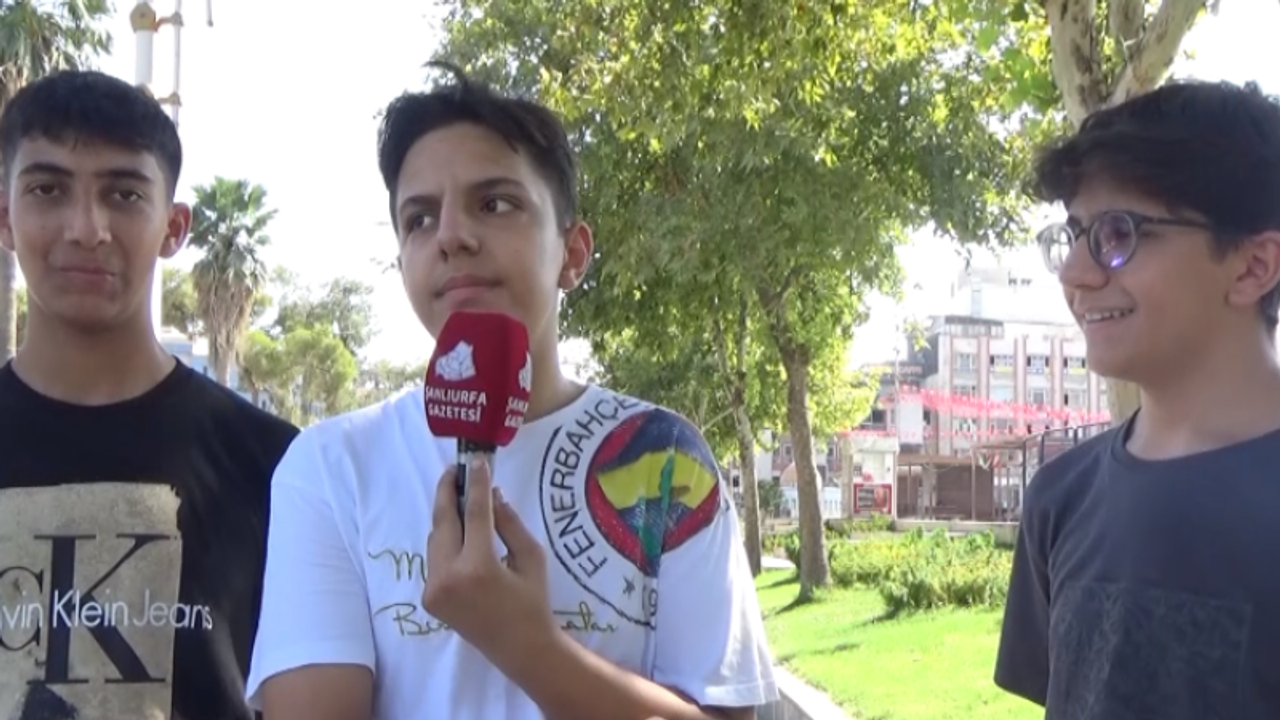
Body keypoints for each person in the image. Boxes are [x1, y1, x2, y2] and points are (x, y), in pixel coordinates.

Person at [246, 63, 778, 720]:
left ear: (572, 254)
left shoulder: (664, 458)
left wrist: (526, 645)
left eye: (495, 203)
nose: (451, 237)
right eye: (419, 219)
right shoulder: (330, 468)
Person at [0, 70, 299, 720]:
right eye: (48, 189)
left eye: (124, 194)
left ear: (173, 227)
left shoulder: (280, 468)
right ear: (5, 217)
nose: (87, 228)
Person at [996, 80, 1280, 719]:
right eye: (1073, 234)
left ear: (1252, 266)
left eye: (1118, 233)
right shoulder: (1060, 499)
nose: (1075, 273)